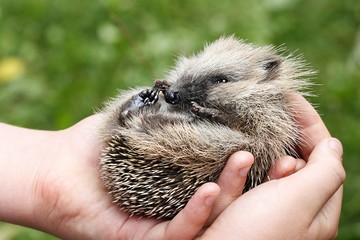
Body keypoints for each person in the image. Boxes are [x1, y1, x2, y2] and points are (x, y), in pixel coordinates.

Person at [0, 94, 344, 240]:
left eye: (221, 81)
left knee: (233, 153)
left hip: (184, 154)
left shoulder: (265, 124)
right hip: (163, 146)